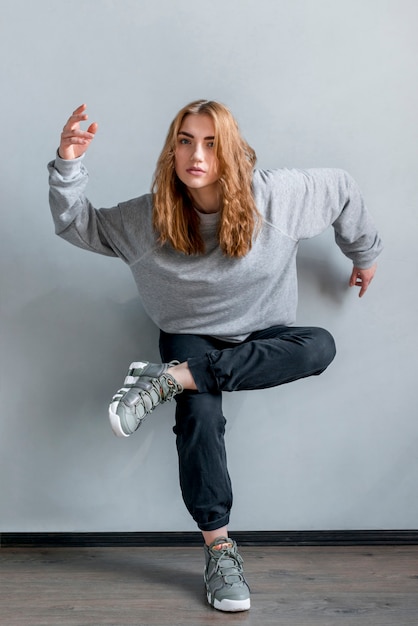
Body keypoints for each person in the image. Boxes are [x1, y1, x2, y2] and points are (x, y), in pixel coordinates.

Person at [48, 100, 382, 613]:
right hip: (190, 336)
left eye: (209, 142)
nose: (195, 154)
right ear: (172, 150)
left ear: (230, 151)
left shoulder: (276, 197)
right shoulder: (147, 217)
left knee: (320, 345)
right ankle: (220, 550)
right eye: (184, 140)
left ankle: (169, 380)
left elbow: (342, 188)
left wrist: (364, 252)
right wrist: (68, 163)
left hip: (263, 333)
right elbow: (79, 224)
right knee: (200, 416)